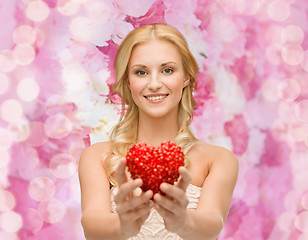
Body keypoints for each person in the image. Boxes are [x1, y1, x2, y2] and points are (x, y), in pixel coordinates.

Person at [78, 23, 239, 240]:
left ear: (186, 78)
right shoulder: (97, 157)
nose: (154, 84)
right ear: (128, 81)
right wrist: (123, 225)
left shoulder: (219, 160)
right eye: (141, 72)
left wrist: (183, 221)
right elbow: (91, 226)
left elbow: (212, 224)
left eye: (167, 70)